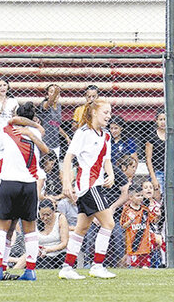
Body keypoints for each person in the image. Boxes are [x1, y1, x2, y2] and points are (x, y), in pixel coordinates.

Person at [0, 102, 49, 281]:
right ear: (33, 117)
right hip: (30, 184)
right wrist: (34, 127)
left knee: (1, 228)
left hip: (9, 182)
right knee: (30, 230)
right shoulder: (36, 132)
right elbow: (44, 149)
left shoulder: (7, 131)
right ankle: (30, 270)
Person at [59, 98, 116, 280]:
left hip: (96, 185)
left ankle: (67, 268)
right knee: (109, 223)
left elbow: (106, 159)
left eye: (109, 112)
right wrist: (67, 182)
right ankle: (97, 265)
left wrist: (111, 174)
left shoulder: (105, 135)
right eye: (105, 112)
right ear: (94, 113)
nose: (109, 116)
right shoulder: (83, 133)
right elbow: (68, 157)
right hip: (88, 186)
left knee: (82, 228)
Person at [120, 186, 159, 268]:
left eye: (141, 196)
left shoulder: (145, 209)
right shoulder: (127, 210)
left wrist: (158, 215)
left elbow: (153, 220)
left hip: (145, 246)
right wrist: (130, 221)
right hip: (133, 245)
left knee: (145, 267)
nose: (140, 198)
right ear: (131, 197)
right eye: (138, 196)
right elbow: (123, 226)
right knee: (133, 267)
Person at [39, 84, 70, 160]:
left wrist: (66, 136)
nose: (55, 94)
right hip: (45, 142)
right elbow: (49, 104)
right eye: (51, 92)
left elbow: (55, 124)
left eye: (57, 93)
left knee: (55, 167)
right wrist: (54, 94)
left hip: (55, 142)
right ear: (47, 94)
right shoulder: (45, 104)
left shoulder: (58, 106)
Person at [35, 199, 69, 269]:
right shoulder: (35, 220)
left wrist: (49, 249)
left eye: (48, 214)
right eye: (42, 215)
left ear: (53, 212)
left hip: (60, 253)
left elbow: (64, 243)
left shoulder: (60, 218)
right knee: (42, 265)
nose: (45, 218)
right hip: (42, 254)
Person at [146, 110, 166, 194]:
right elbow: (148, 159)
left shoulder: (172, 135)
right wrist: (153, 177)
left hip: (171, 171)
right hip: (157, 170)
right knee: (158, 195)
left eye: (165, 119)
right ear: (156, 121)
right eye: (160, 119)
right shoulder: (152, 136)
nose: (163, 122)